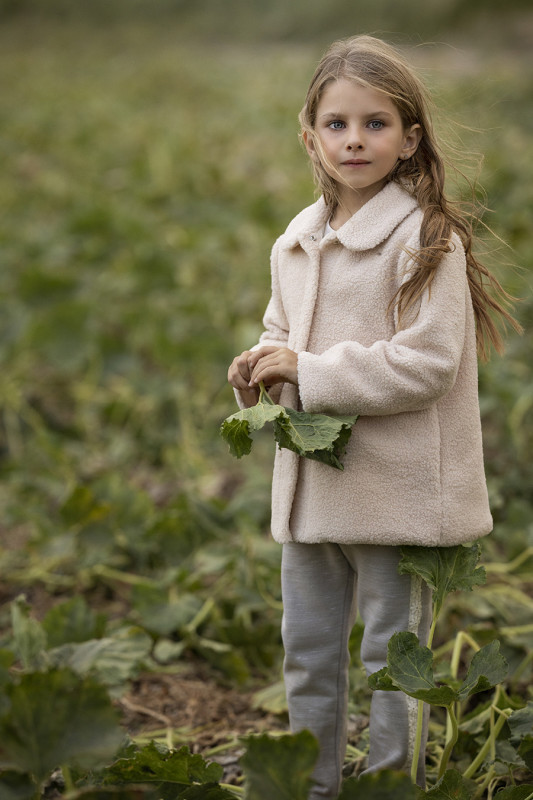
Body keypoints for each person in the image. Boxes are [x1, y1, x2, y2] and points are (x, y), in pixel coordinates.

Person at [227, 35, 519, 800]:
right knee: (307, 650)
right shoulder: (295, 242)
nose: (353, 140)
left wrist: (310, 371)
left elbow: (428, 365)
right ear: (309, 136)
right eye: (335, 124)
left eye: (374, 123)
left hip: (397, 496)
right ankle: (309, 786)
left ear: (409, 138)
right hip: (316, 490)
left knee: (397, 662)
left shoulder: (425, 240)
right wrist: (261, 362)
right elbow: (281, 332)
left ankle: (391, 786)